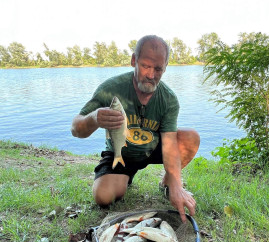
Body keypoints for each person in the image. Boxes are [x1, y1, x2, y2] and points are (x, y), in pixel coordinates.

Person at [71, 35, 200, 223]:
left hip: (153, 148)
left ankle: (167, 183)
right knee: (103, 197)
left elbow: (170, 143)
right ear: (134, 60)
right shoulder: (111, 88)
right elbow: (76, 128)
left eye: (158, 69)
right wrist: (94, 118)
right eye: (146, 66)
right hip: (120, 151)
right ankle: (124, 177)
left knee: (190, 137)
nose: (151, 75)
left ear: (165, 68)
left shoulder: (168, 98)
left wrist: (177, 184)